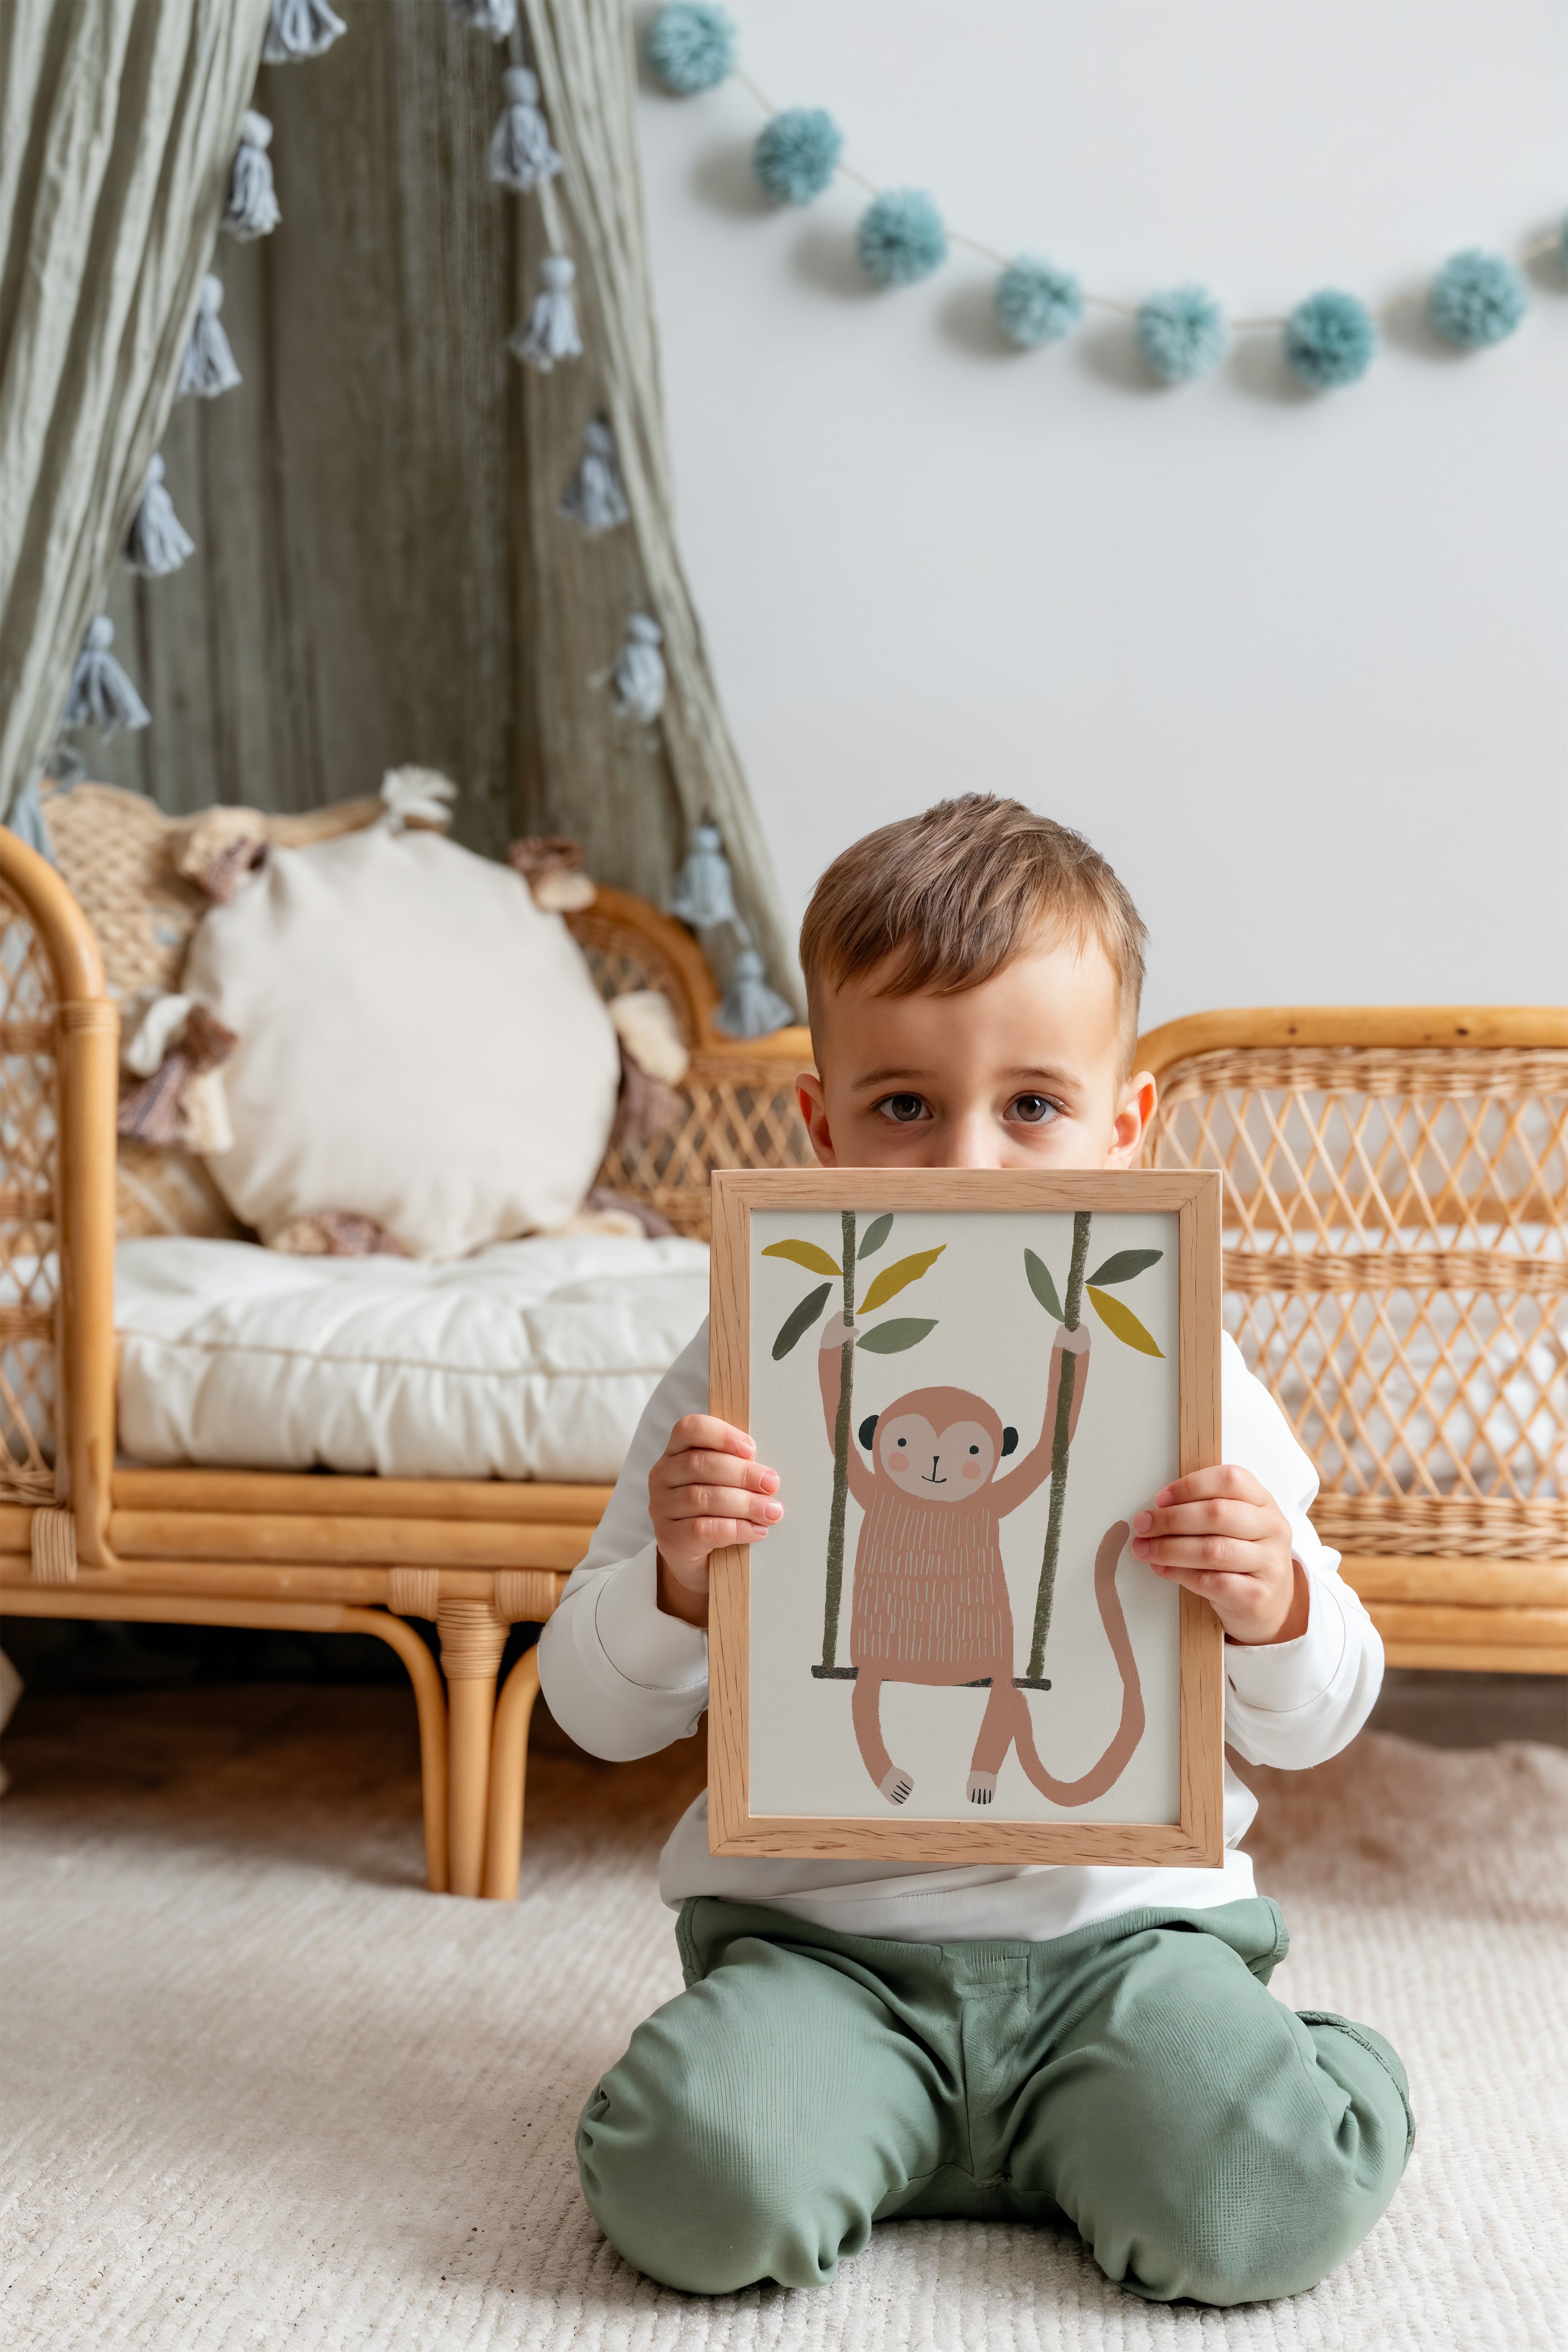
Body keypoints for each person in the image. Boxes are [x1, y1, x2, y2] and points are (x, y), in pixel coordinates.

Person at [538, 796, 1411, 2305]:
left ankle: (1264, 2066)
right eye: (901, 1108)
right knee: (692, 2185)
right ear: (816, 1124)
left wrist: (1274, 1604)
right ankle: (852, 2112)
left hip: (1128, 1952)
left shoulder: (1182, 1360)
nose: (964, 1164)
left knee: (1269, 2196)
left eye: (1031, 1105)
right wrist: (677, 1588)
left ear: (1123, 1125)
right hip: (824, 1957)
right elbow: (593, 1714)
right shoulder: (745, 1358)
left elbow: (1323, 1712)